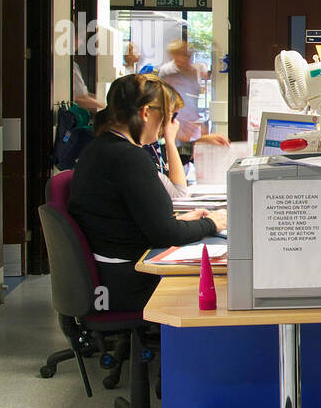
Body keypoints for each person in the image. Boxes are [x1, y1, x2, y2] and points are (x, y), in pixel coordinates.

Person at [69, 74, 225, 313]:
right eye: (166, 117)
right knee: (219, 286)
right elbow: (165, 234)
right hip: (127, 282)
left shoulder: (102, 147)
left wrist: (180, 221)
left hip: (108, 273)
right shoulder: (129, 157)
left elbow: (136, 219)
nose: (166, 128)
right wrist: (212, 223)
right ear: (145, 113)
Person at [157, 39, 228, 152]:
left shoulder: (193, 71)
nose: (185, 58)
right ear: (173, 55)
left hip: (190, 125)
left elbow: (193, 99)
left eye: (187, 54)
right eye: (181, 54)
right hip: (175, 124)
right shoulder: (167, 72)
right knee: (177, 152)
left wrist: (199, 124)